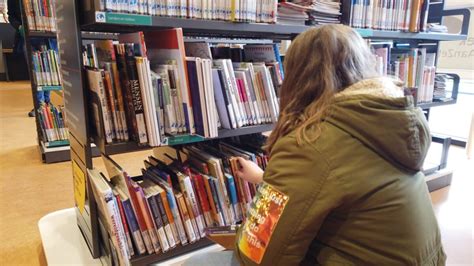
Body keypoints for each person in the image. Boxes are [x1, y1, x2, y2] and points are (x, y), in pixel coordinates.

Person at [185, 24, 445, 265]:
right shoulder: (387, 121)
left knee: (199, 262)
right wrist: (265, 180)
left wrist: (246, 229)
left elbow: (260, 258)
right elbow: (346, 184)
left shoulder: (310, 143)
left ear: (296, 78)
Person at [7, 0, 50, 117]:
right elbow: (11, 15)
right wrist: (19, 26)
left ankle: (47, 102)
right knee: (35, 70)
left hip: (47, 33)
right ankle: (39, 104)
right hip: (27, 35)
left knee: (48, 68)